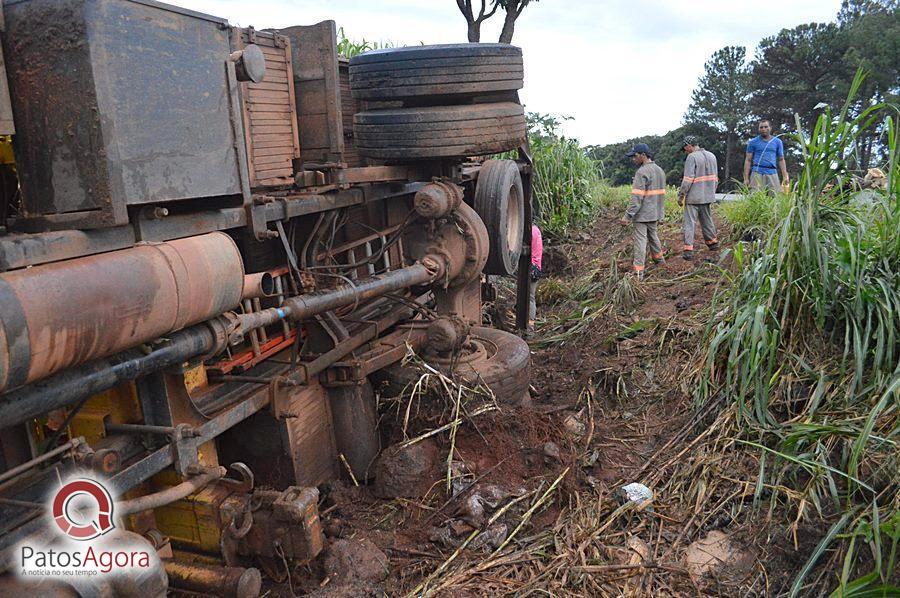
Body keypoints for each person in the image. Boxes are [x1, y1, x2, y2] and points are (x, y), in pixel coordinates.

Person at [620, 143, 666, 280]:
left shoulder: (642, 172)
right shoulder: (660, 170)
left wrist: (627, 216)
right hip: (655, 213)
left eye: (635, 156)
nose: (633, 159)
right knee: (653, 236)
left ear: (643, 155)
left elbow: (637, 198)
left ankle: (638, 273)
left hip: (642, 214)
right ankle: (660, 262)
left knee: (640, 241)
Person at [678, 136, 719, 260]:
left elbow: (688, 179)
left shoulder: (692, 157)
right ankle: (713, 243)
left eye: (685, 149)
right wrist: (711, 192)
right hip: (707, 196)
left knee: (689, 223)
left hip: (693, 197)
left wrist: (681, 195)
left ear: (688, 145)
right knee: (707, 220)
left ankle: (688, 251)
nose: (685, 151)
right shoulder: (712, 156)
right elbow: (715, 179)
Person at [743, 119, 789, 192]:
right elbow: (748, 160)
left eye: (766, 127)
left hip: (772, 171)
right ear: (758, 129)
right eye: (761, 127)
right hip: (757, 172)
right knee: (755, 197)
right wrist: (746, 178)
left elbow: (781, 159)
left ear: (770, 128)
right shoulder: (753, 142)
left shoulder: (777, 142)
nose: (763, 129)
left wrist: (785, 176)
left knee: (775, 197)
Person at [528, 223, 543, 331]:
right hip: (537, 267)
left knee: (530, 297)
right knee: (531, 297)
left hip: (532, 267)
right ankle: (530, 323)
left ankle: (530, 325)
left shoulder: (531, 231)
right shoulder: (537, 230)